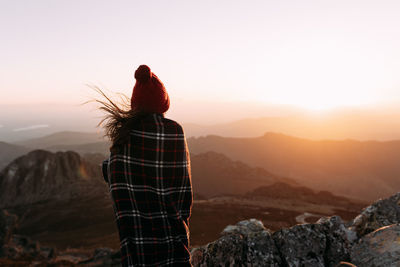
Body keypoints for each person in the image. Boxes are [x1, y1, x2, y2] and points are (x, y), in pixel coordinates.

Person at [100, 65, 193, 266]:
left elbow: (116, 177)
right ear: (163, 103)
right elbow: (184, 190)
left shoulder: (123, 139)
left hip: (137, 251)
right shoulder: (175, 132)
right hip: (175, 248)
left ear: (136, 105)